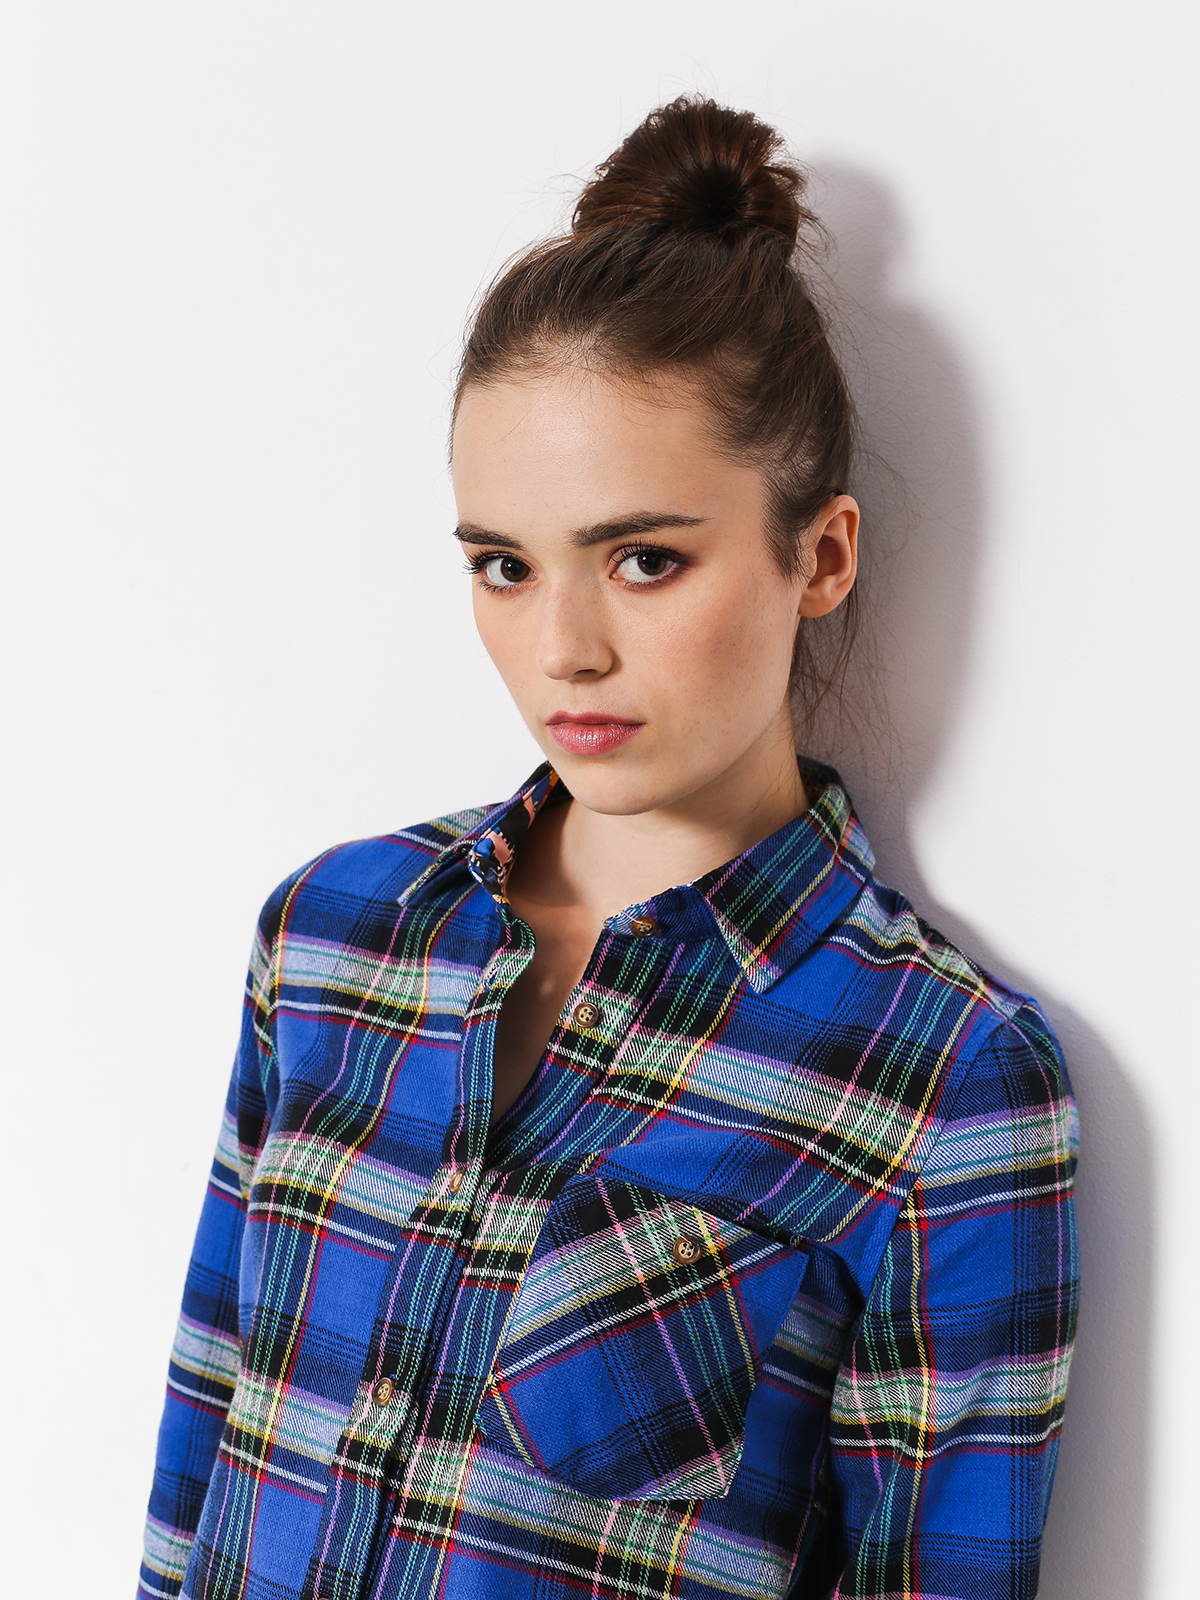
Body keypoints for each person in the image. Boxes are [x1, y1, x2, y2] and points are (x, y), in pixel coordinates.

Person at [139, 97, 1079, 1600]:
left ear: (821, 554)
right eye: (504, 566)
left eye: (644, 559)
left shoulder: (945, 1079)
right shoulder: (332, 937)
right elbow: (201, 1456)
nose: (563, 648)